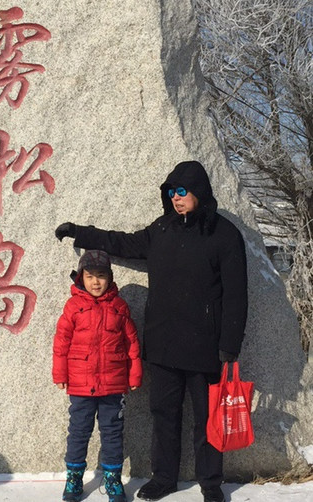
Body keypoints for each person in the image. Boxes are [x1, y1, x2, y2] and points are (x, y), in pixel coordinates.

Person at [55, 161, 248, 502]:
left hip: (206, 346)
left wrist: (230, 343)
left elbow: (236, 294)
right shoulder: (162, 229)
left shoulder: (224, 234)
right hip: (163, 343)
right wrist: (80, 233)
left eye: (182, 191)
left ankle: (210, 482)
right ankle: (164, 478)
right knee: (164, 416)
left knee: (207, 419)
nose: (176, 198)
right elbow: (123, 243)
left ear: (199, 192)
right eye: (171, 192)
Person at [53, 249, 143, 502]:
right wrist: (60, 373)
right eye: (90, 276)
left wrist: (134, 375)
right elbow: (61, 342)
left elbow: (131, 344)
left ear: (109, 278)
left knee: (112, 433)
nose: (96, 282)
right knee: (79, 432)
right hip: (81, 384)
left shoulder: (119, 307)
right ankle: (74, 478)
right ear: (81, 278)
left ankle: (113, 479)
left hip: (113, 384)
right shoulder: (73, 306)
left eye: (101, 276)